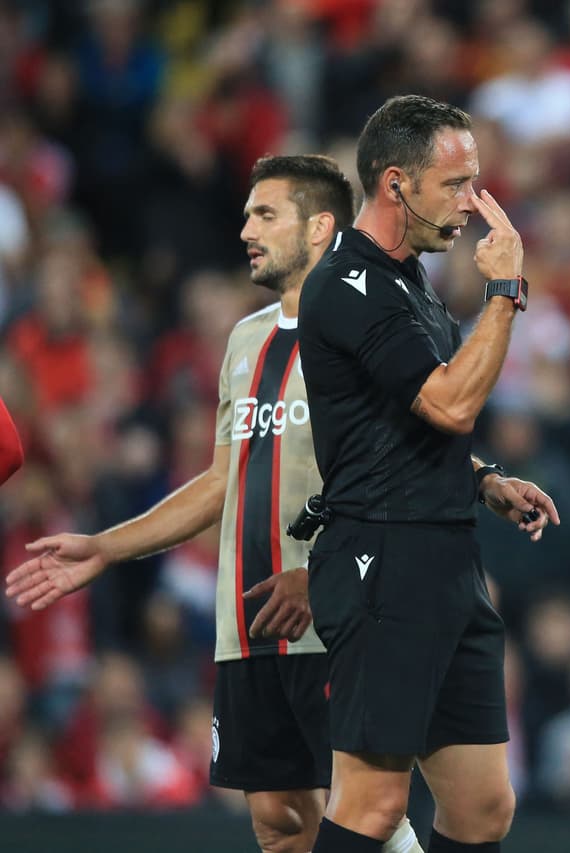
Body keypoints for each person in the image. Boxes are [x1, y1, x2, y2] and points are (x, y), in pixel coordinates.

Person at [3, 155, 428, 853]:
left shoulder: (374, 327)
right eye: (246, 213)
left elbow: (405, 469)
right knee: (281, 821)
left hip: (338, 610)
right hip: (248, 618)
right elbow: (224, 478)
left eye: (265, 215)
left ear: (321, 227)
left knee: (368, 813)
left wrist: (326, 572)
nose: (245, 229)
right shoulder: (245, 339)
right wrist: (106, 546)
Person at [297, 94, 559, 853]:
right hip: (381, 557)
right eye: (456, 185)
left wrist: (481, 480)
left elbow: (406, 420)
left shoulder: (408, 278)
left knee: (482, 808)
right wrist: (505, 293)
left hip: (445, 555)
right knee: (373, 806)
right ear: (394, 185)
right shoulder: (350, 285)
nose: (472, 204)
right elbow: (449, 403)